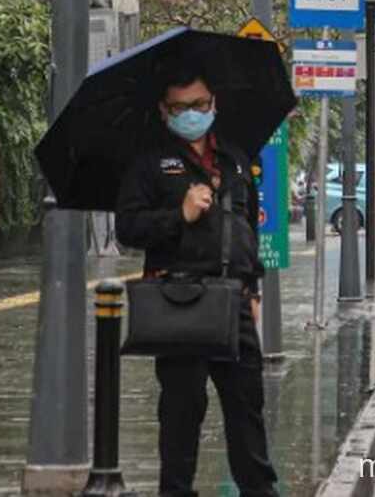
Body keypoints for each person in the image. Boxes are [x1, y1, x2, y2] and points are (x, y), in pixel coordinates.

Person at [116, 62, 278, 497]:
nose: (192, 113)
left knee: (247, 411)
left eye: (200, 104)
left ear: (213, 103)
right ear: (165, 111)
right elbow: (128, 229)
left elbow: (247, 226)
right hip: (179, 300)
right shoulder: (150, 163)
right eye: (181, 107)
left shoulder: (236, 158)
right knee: (182, 416)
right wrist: (180, 215)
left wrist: (254, 287)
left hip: (235, 303)